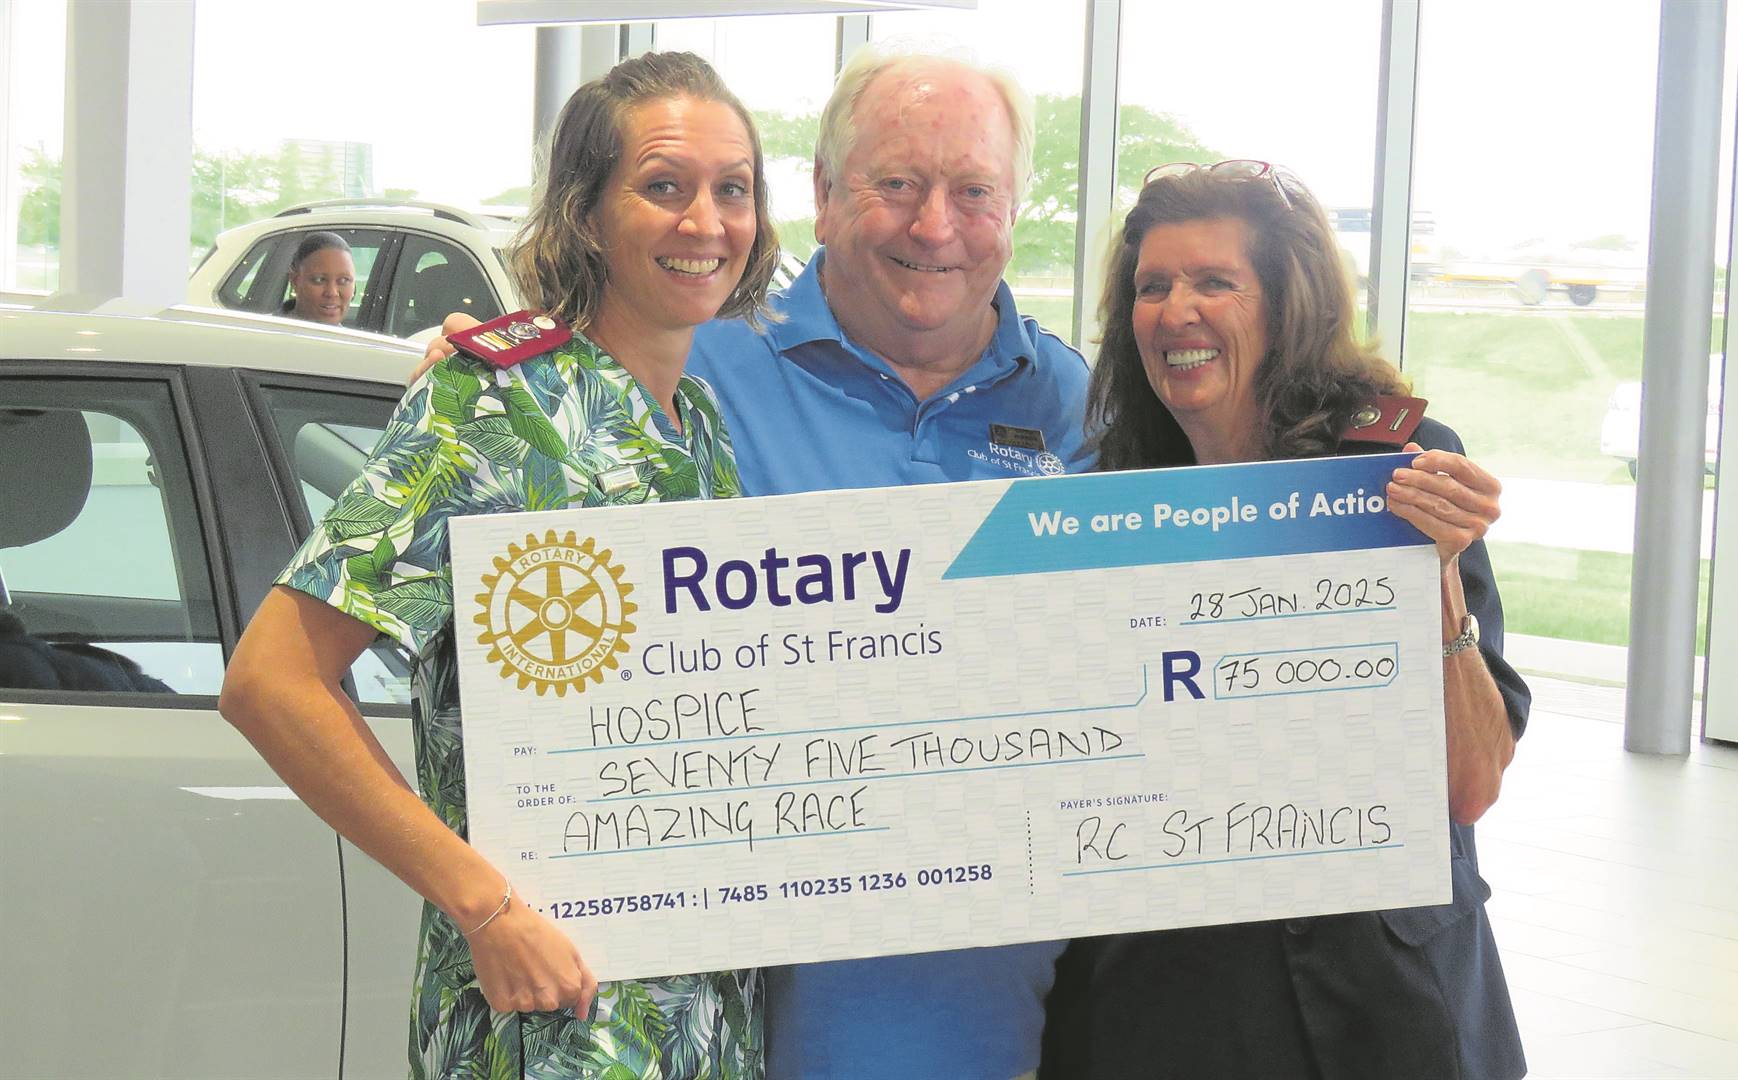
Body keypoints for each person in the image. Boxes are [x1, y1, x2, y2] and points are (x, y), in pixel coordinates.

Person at [425, 47, 1091, 1080]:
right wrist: (470, 377)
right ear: (824, 198)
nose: (935, 227)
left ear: (1014, 208)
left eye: (974, 192)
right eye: (898, 185)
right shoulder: (693, 363)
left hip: (995, 1018)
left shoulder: (1073, 407)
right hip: (712, 1022)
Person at [220, 52, 782, 1079]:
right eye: (664, 187)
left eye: (732, 188)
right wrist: (483, 906)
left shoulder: (698, 425)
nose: (707, 222)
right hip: (548, 1021)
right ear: (586, 211)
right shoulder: (490, 407)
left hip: (701, 1021)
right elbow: (271, 682)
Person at [1037, 161, 1528, 1080]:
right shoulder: (1104, 502)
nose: (1176, 309)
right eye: (1152, 286)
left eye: (1215, 282)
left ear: (1287, 305)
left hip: (1381, 1000)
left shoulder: (1399, 471)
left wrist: (1438, 585)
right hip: (1167, 998)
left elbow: (1470, 784)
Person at [282, 231, 356, 325]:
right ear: (295, 281)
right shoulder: (264, 337)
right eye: (319, 280)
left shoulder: (350, 339)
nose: (332, 292)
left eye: (344, 280)